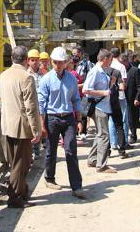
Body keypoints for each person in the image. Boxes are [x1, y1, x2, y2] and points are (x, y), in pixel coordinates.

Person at [37, 47, 86, 199]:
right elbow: (41, 103)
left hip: (68, 118)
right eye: (55, 62)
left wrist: (79, 119)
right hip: (52, 118)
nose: (58, 65)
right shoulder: (46, 80)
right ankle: (49, 178)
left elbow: (76, 100)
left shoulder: (71, 79)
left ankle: (76, 186)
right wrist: (42, 124)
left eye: (61, 62)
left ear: (66, 63)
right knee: (51, 150)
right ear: (52, 62)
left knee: (71, 150)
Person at [0, 46, 42, 208]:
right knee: (21, 163)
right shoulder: (26, 77)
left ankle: (22, 192)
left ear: (11, 58)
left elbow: (1, 101)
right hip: (21, 127)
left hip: (7, 125)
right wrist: (36, 130)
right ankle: (15, 198)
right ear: (25, 60)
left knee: (15, 161)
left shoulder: (3, 76)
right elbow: (31, 107)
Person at [83, 48, 116, 173]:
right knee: (104, 135)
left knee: (100, 134)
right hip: (99, 108)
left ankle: (93, 159)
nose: (111, 62)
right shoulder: (95, 71)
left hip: (103, 107)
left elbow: (105, 91)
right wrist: (103, 92)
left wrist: (111, 84)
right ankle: (101, 165)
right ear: (105, 59)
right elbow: (85, 90)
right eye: (110, 60)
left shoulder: (102, 71)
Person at [109, 48, 129, 151]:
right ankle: (123, 142)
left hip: (109, 96)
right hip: (120, 96)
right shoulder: (121, 66)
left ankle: (113, 142)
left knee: (111, 120)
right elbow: (123, 83)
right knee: (122, 120)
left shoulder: (108, 66)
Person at [72, 45, 93, 139]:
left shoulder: (87, 64)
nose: (74, 56)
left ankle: (83, 131)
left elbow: (90, 77)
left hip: (83, 90)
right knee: (74, 111)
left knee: (82, 111)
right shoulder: (72, 63)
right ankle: (75, 131)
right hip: (73, 91)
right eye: (73, 54)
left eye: (75, 54)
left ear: (80, 54)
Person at [125, 54, 140, 144]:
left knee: (132, 118)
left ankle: (133, 135)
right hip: (121, 99)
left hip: (132, 99)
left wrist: (137, 98)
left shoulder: (135, 70)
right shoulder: (118, 71)